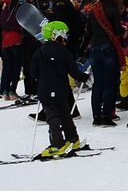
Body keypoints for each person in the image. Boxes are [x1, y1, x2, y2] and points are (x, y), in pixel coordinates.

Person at [32, 21, 90, 158]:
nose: (66, 38)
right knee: (65, 114)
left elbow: (33, 72)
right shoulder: (64, 52)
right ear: (56, 35)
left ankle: (57, 144)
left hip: (45, 90)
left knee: (52, 117)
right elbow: (73, 70)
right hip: (62, 90)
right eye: (64, 35)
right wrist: (83, 77)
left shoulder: (39, 52)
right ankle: (73, 139)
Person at [85, 0, 126, 126]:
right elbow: (117, 30)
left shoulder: (93, 10)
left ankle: (96, 116)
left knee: (98, 84)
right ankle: (106, 116)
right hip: (109, 48)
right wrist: (123, 31)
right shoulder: (112, 9)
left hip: (94, 49)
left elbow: (88, 32)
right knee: (110, 84)